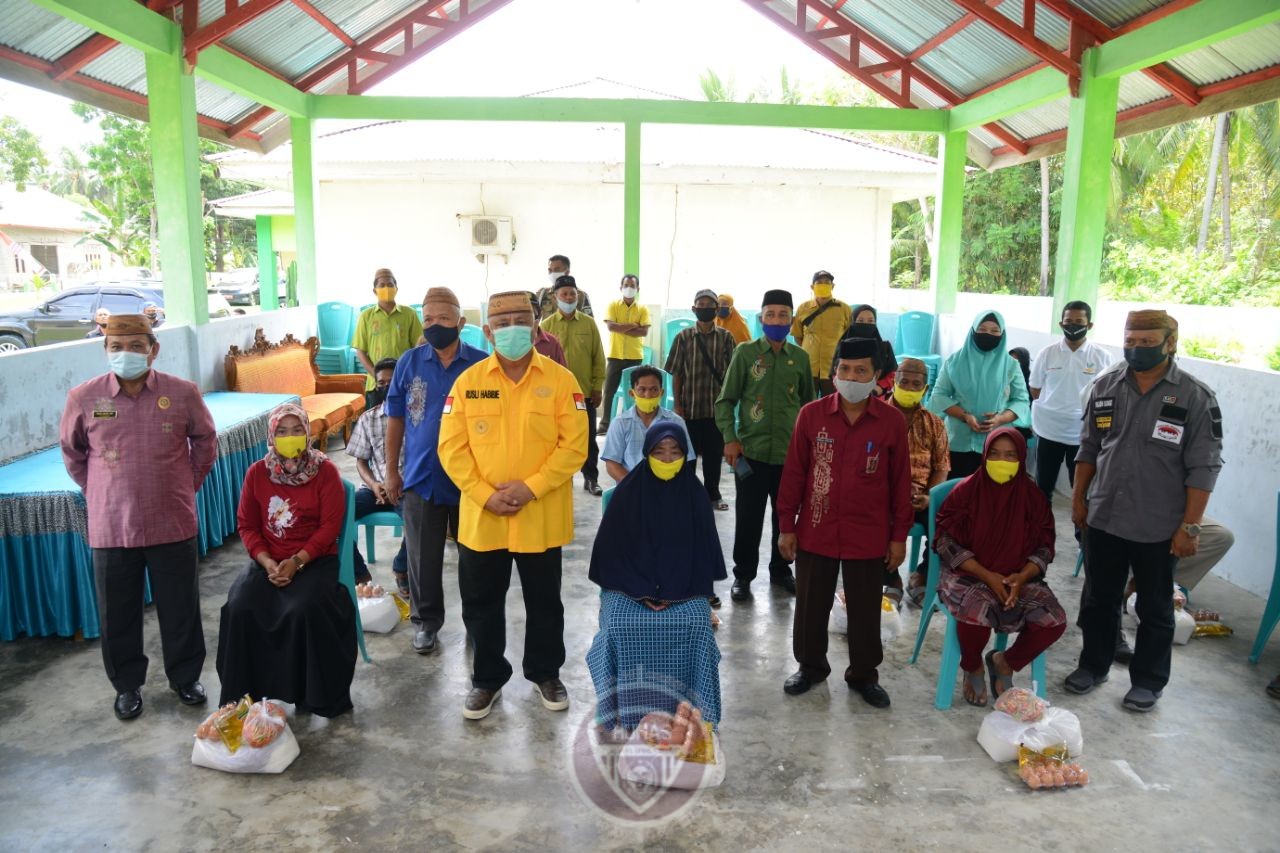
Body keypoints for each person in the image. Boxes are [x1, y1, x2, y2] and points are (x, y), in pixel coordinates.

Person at [438, 290, 588, 721]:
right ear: (487, 331)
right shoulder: (468, 383)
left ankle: (546, 673)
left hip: (539, 514)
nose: (511, 330)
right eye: (501, 324)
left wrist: (531, 488)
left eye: (521, 320)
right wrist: (486, 494)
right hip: (483, 519)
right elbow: (452, 448)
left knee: (545, 601)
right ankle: (486, 679)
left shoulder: (562, 381)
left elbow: (574, 446)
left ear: (537, 327)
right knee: (481, 603)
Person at [60, 314, 216, 721]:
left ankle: (185, 678)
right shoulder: (84, 398)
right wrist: (101, 492)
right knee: (117, 613)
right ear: (105, 350)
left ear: (153, 349)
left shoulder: (182, 394)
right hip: (112, 526)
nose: (125, 354)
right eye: (116, 347)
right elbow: (74, 455)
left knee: (180, 607)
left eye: (135, 346)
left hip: (172, 520)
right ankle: (127, 686)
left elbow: (205, 441)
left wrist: (186, 483)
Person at [1067, 310, 1223, 713]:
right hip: (1105, 517)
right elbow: (1089, 448)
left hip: (1158, 525)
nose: (1136, 349)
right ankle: (1093, 665)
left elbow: (1203, 467)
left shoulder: (1194, 396)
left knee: (1155, 608)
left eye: (1147, 341)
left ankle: (1148, 681)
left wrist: (1190, 525)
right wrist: (1079, 498)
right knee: (1099, 600)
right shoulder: (1105, 387)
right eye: (1131, 341)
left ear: (1170, 342)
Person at [777, 337, 911, 708]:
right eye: (845, 370)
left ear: (877, 376)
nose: (852, 377)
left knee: (866, 609)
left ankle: (864, 675)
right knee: (810, 605)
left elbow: (900, 483)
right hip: (816, 527)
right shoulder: (812, 415)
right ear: (835, 372)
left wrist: (898, 537)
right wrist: (787, 525)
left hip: (868, 533)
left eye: (861, 371)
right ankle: (810, 667)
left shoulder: (891, 422)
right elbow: (794, 475)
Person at [218, 403, 356, 717]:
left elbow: (328, 528)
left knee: (301, 610)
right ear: (271, 435)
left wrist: (297, 562)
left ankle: (306, 694)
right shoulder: (257, 473)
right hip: (268, 561)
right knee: (239, 607)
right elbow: (248, 525)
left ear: (308, 433)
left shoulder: (325, 472)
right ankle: (243, 697)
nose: (289, 437)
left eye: (296, 430)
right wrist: (266, 561)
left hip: (314, 559)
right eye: (282, 431)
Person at [586, 422, 726, 732]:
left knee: (697, 625)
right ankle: (622, 707)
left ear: (685, 455)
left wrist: (671, 592)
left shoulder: (694, 493)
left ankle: (694, 708)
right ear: (647, 453)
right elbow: (614, 553)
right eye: (659, 452)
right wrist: (643, 591)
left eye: (674, 452)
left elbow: (702, 554)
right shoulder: (628, 492)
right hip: (629, 586)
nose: (666, 459)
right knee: (620, 624)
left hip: (684, 588)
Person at [382, 287, 487, 655]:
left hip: (471, 480)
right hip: (421, 477)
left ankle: (478, 625)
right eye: (428, 319)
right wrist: (392, 471)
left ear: (461, 322)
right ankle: (426, 623)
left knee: (476, 560)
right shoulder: (409, 363)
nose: (435, 325)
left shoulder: (481, 365)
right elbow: (394, 419)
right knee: (422, 559)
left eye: (443, 319)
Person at [933, 427, 1067, 706]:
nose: (1002, 461)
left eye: (1010, 455)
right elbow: (946, 542)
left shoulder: (1033, 498)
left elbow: (1045, 545)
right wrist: (987, 576)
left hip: (1019, 576)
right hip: (968, 573)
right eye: (994, 454)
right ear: (984, 455)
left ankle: (1005, 662)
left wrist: (1022, 577)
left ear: (1021, 458)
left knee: (1053, 620)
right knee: (975, 612)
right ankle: (973, 666)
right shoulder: (966, 492)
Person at [716, 289, 814, 601]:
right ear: (761, 318)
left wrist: (811, 449)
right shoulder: (745, 354)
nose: (776, 320)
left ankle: (782, 570)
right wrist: (730, 439)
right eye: (770, 314)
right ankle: (743, 575)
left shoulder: (800, 358)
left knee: (785, 517)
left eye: (783, 315)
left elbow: (810, 406)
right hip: (751, 454)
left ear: (791, 320)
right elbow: (725, 400)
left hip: (790, 455)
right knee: (748, 517)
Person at [928, 310, 1030, 479]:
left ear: (1002, 334)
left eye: (994, 331)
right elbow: (939, 395)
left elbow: (1021, 400)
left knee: (992, 495)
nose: (987, 334)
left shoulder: (1011, 365)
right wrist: (965, 416)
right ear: (973, 331)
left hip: (997, 444)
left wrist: (1000, 419)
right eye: (982, 329)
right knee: (956, 491)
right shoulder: (955, 361)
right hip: (958, 441)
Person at [1029, 301, 1114, 501]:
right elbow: (1035, 389)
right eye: (1068, 321)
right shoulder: (1047, 353)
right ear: (1061, 324)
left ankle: (1080, 533)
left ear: (1089, 325)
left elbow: (1107, 396)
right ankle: (1041, 531)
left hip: (1083, 434)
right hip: (1048, 430)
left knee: (1081, 492)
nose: (1073, 325)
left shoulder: (1102, 357)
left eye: (1079, 321)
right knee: (1043, 487)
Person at [884, 357, 949, 607]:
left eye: (916, 384)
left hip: (922, 496)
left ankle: (921, 576)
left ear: (925, 389)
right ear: (894, 382)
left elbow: (942, 467)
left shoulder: (934, 424)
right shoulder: (877, 417)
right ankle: (892, 581)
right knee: (871, 517)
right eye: (904, 382)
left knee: (949, 523)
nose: (909, 388)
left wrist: (930, 496)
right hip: (885, 496)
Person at [665, 288, 737, 512]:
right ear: (694, 309)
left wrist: (730, 406)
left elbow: (733, 375)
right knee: (688, 457)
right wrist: (677, 404)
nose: (705, 309)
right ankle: (687, 494)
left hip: (716, 411)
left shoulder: (726, 338)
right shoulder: (683, 337)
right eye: (701, 305)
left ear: (717, 309)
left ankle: (712, 495)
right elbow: (676, 373)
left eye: (709, 305)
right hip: (690, 408)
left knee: (714, 458)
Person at [540, 274, 606, 496]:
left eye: (573, 294)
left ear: (578, 297)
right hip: (554, 396)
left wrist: (597, 387)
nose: (569, 298)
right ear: (555, 297)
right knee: (555, 440)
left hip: (584, 393)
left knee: (588, 439)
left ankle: (591, 478)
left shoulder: (589, 324)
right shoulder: (546, 326)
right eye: (564, 294)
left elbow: (598, 357)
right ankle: (560, 481)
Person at [346, 357, 408, 592]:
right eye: (381, 383)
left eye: (392, 382)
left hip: (407, 488)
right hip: (376, 489)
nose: (386, 388)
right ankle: (359, 575)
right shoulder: (368, 418)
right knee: (335, 514)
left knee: (421, 521)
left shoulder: (415, 418)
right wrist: (374, 484)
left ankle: (401, 567)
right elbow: (361, 461)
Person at [601, 365, 694, 483]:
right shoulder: (619, 423)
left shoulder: (676, 422)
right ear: (632, 393)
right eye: (642, 390)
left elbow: (687, 461)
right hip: (632, 489)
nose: (648, 395)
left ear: (662, 392)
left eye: (654, 389)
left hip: (668, 488)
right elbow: (612, 464)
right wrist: (635, 486)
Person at [598, 274, 650, 435]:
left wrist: (623, 327)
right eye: (626, 285)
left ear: (638, 289)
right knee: (609, 390)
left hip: (634, 356)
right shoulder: (613, 306)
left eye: (632, 286)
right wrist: (632, 325)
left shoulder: (642, 309)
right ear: (621, 288)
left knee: (636, 391)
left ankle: (635, 422)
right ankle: (605, 425)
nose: (629, 288)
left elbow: (643, 332)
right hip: (615, 355)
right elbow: (612, 328)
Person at [352, 267, 420, 391]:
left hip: (403, 381)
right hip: (376, 385)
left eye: (390, 284)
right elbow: (360, 351)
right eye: (382, 285)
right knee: (375, 411)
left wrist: (406, 373)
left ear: (396, 289)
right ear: (375, 291)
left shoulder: (410, 314)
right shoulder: (366, 316)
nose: (386, 288)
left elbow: (418, 346)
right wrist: (377, 376)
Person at [792, 270, 852, 397]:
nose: (823, 285)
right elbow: (798, 336)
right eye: (819, 282)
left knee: (832, 406)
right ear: (812, 287)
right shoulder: (803, 308)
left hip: (833, 368)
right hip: (808, 368)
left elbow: (849, 338)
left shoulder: (844, 309)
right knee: (806, 404)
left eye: (827, 282)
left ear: (833, 286)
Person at [840, 305, 897, 396]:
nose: (865, 324)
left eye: (870, 321)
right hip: (847, 395)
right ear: (853, 322)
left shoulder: (885, 348)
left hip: (877, 398)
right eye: (860, 321)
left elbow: (892, 374)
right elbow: (835, 372)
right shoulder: (844, 346)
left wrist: (879, 387)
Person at [534, 254, 593, 318]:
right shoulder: (542, 294)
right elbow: (533, 319)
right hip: (547, 328)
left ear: (567, 272)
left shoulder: (581, 295)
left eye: (557, 270)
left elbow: (589, 322)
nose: (552, 273)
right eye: (550, 270)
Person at [529, 293, 567, 366]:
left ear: (539, 315)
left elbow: (564, 375)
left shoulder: (552, 343)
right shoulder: (508, 344)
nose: (527, 318)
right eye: (523, 313)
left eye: (531, 313)